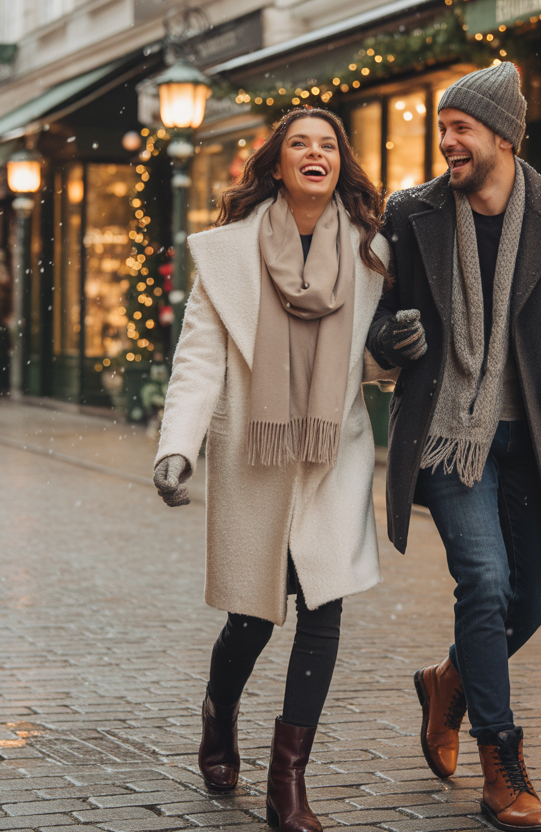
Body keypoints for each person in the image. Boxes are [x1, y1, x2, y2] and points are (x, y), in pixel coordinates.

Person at [366, 62, 541, 832]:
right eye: (443, 127)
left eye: (460, 128)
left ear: (502, 137)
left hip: (532, 438)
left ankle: (448, 682)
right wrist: (391, 334)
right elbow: (374, 315)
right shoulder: (411, 212)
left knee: (540, 595)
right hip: (450, 436)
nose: (445, 140)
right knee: (484, 582)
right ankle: (503, 766)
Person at [152, 108, 391, 832]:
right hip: (254, 453)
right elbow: (198, 359)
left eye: (327, 145)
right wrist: (177, 446)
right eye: (299, 145)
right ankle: (219, 711)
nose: (314, 154)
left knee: (324, 607)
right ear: (279, 164)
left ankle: (289, 780)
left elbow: (375, 364)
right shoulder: (229, 255)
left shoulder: (375, 252)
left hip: (330, 453)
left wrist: (397, 348)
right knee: (253, 617)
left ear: (339, 164)